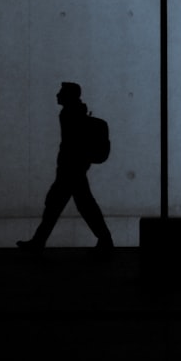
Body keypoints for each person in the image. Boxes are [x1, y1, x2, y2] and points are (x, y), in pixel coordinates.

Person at [17, 82, 114, 254]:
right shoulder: (72, 113)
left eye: (61, 92)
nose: (57, 94)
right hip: (73, 170)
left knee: (59, 207)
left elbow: (71, 147)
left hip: (70, 171)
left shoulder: (70, 114)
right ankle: (105, 240)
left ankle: (38, 242)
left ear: (68, 95)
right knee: (79, 207)